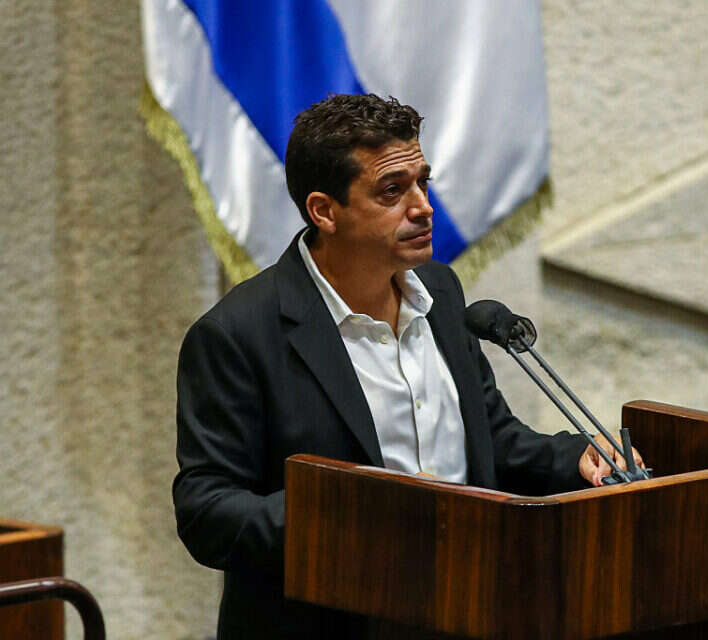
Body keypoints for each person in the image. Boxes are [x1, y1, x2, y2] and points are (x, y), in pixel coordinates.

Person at [173, 93, 640, 639]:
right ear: (324, 211)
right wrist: (362, 514)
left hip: (467, 610)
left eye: (423, 182)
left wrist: (575, 456)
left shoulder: (439, 292)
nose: (423, 207)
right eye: (393, 191)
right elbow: (207, 512)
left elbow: (490, 439)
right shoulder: (238, 334)